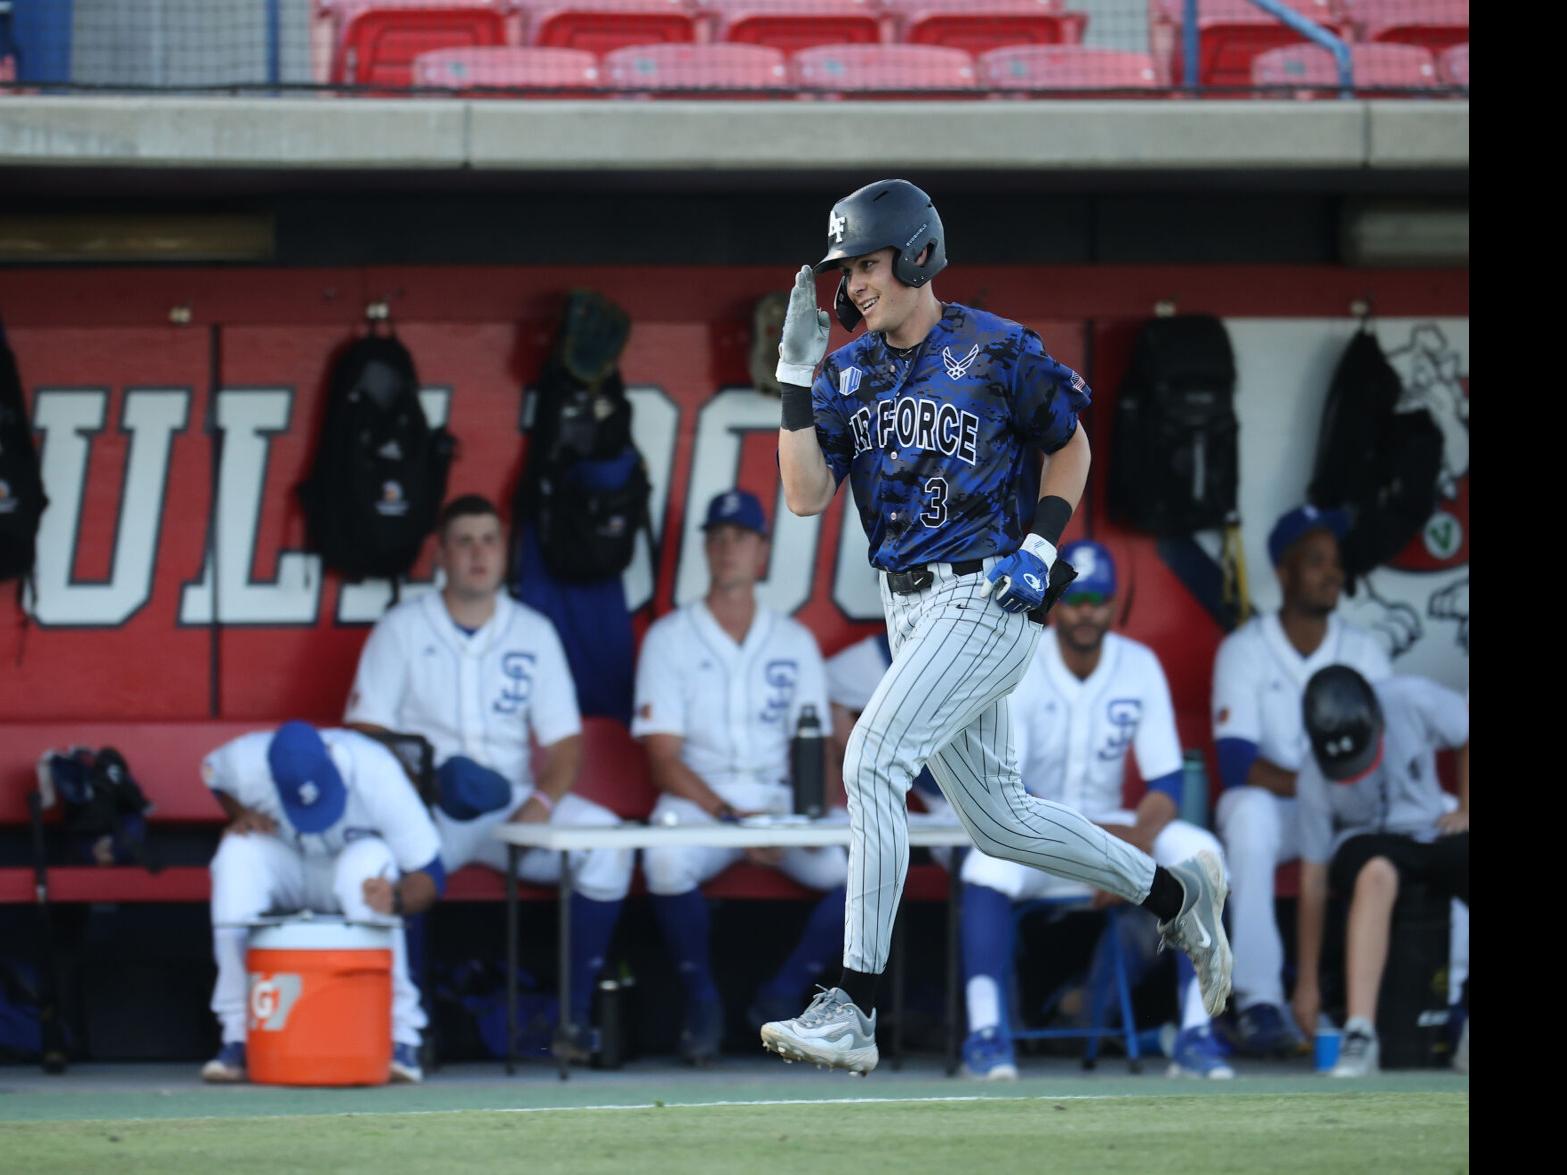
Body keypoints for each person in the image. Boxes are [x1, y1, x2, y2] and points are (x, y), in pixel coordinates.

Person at [763, 177, 1232, 1076]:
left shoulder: (992, 346)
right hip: (907, 604)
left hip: (989, 589)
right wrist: (792, 381)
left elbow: (1071, 441)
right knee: (1001, 822)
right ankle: (1177, 893)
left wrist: (1039, 541)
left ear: (915, 252)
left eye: (865, 261)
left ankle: (854, 1005)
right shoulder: (846, 371)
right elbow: (802, 493)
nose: (853, 283)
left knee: (871, 759)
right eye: (846, 268)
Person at [344, 494, 633, 1063]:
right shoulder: (402, 628)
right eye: (464, 541)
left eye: (488, 540)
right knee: (380, 863)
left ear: (505, 553)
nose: (478, 553)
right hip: (430, 807)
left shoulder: (532, 630)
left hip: (509, 805)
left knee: (606, 845)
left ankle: (570, 1023)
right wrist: (424, 776)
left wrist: (544, 803)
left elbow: (564, 741)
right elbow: (364, 732)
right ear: (441, 554)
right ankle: (413, 1026)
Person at [959, 541, 1234, 1081]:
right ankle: (985, 1033)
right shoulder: (1021, 658)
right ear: (1060, 602)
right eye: (1078, 597)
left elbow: (1166, 781)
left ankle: (1196, 1035)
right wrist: (1101, 850)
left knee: (1203, 850)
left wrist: (1126, 849)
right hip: (1032, 830)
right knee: (982, 867)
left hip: (1118, 826)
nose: (1086, 610)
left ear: (1114, 606)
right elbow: (1012, 783)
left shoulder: (1138, 665)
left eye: (1098, 599)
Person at [632, 489, 844, 1064]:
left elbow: (819, 747)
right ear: (706, 549)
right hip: (705, 804)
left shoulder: (793, 641)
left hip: (778, 802)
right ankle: (702, 1000)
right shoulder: (669, 638)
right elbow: (663, 760)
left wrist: (810, 816)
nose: (728, 549)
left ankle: (783, 993)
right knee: (665, 859)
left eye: (740, 538)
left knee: (863, 866)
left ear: (761, 551)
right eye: (718, 538)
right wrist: (734, 822)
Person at [1211, 505, 1396, 1056]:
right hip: (1285, 811)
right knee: (1245, 812)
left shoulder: (1365, 651)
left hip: (1349, 813)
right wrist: (1320, 788)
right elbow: (1238, 764)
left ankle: (1430, 998)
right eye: (1315, 561)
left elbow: (1387, 753)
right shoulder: (1245, 648)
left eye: (1335, 562)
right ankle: (1260, 999)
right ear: (1285, 572)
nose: (1331, 572)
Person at [200, 721, 444, 1084]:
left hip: (348, 868)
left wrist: (395, 898)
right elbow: (213, 774)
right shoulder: (246, 760)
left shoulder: (375, 771)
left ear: (332, 759)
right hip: (287, 861)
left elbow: (431, 873)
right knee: (236, 854)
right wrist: (240, 815)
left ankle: (400, 1037)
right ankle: (238, 1035)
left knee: (370, 862)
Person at [1290, 665, 1468, 1077]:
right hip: (1365, 843)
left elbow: (1465, 732)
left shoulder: (1412, 697)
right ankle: (1360, 1033)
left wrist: (1466, 806)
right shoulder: (1312, 774)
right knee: (1376, 873)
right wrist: (1307, 982)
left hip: (1429, 827)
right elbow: (1313, 880)